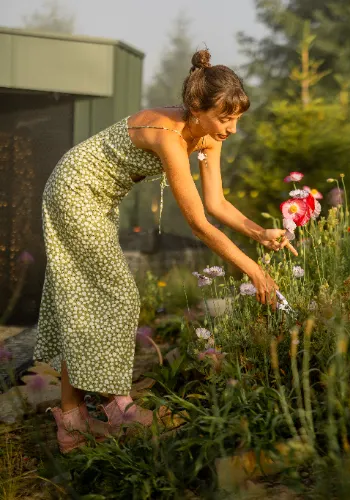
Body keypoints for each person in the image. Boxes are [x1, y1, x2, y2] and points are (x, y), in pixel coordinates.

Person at [33, 49, 297, 453]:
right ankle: (115, 406)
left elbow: (216, 203)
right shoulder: (169, 136)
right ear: (196, 107)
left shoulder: (209, 135)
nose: (232, 129)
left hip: (98, 199)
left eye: (237, 119)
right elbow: (197, 223)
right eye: (225, 118)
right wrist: (253, 270)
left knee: (86, 301)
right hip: (74, 190)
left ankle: (72, 422)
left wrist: (259, 233)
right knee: (117, 296)